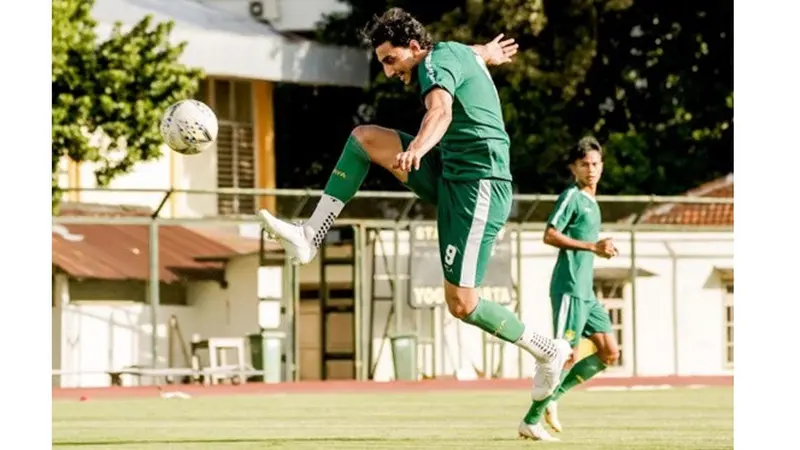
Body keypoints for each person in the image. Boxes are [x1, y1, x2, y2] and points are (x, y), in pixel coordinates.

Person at [257, 7, 572, 402]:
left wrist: (419, 148)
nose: (389, 72)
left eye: (391, 60)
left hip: (480, 186)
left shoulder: (435, 65)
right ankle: (310, 234)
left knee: (462, 303)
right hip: (451, 171)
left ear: (413, 47)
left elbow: (440, 111)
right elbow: (474, 53)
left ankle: (547, 350)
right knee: (365, 139)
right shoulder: (453, 51)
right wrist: (486, 53)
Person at [517, 136, 621, 441]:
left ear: (602, 167)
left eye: (595, 164)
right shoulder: (572, 196)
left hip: (586, 293)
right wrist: (592, 246)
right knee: (564, 354)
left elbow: (591, 244)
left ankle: (554, 398)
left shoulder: (592, 201)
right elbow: (549, 234)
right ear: (573, 168)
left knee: (609, 353)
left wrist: (603, 247)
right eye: (584, 164)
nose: (591, 169)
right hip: (568, 288)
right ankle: (531, 420)